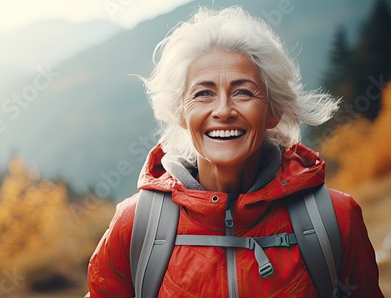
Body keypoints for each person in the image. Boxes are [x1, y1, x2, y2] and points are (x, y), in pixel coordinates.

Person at [86, 6, 383, 297]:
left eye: (243, 91)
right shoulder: (135, 225)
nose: (224, 110)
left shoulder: (335, 219)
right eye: (203, 93)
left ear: (273, 110)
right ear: (180, 113)